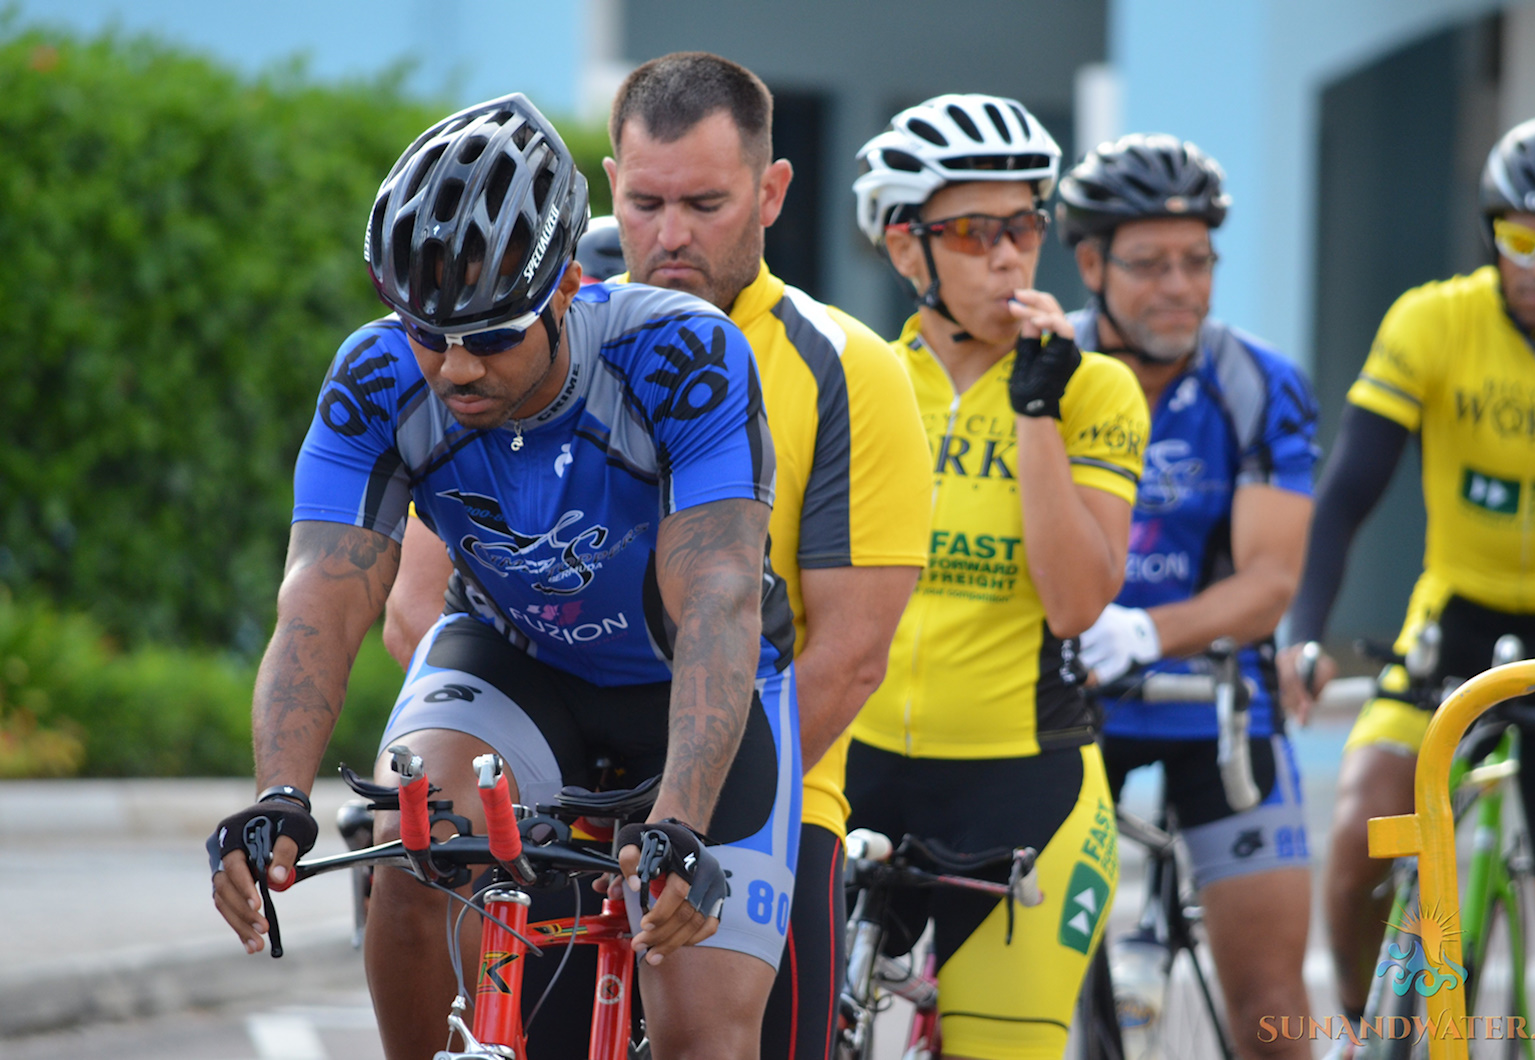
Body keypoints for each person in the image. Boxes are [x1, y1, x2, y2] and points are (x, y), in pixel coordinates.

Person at [209, 92, 802, 1060]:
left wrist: (680, 822)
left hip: (692, 681)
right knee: (411, 862)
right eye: (424, 331)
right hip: (513, 661)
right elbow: (323, 593)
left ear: (566, 286)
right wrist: (278, 795)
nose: (452, 369)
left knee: (703, 1031)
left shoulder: (679, 354)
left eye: (489, 335)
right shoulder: (375, 376)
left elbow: (720, 594)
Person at [380, 53, 932, 1060]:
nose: (670, 235)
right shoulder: (525, 336)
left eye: (707, 203)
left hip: (756, 777)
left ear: (770, 192)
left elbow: (849, 652)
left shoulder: (850, 367)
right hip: (552, 781)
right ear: (606, 185)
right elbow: (419, 610)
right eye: (645, 201)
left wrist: (679, 797)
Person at [1280, 113, 1535, 1055]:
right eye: (1522, 241)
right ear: (1488, 234)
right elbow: (1343, 499)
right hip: (1452, 624)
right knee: (1357, 834)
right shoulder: (1432, 320)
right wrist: (1306, 629)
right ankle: (1361, 1033)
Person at [847, 94, 1148, 1060]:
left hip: (1026, 790)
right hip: (851, 777)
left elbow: (1076, 599)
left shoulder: (1094, 388)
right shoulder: (856, 380)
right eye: (975, 232)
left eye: (1024, 226)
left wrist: (1036, 409)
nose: (1011, 255)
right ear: (906, 249)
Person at [1059, 134, 1319, 1060]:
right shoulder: (1046, 371)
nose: (1180, 285)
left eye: (1197, 262)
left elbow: (1268, 584)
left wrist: (1140, 630)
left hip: (1214, 706)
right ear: (1090, 263)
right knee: (1038, 1004)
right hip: (1070, 703)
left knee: (1276, 1010)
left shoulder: (1258, 384)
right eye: (1149, 263)